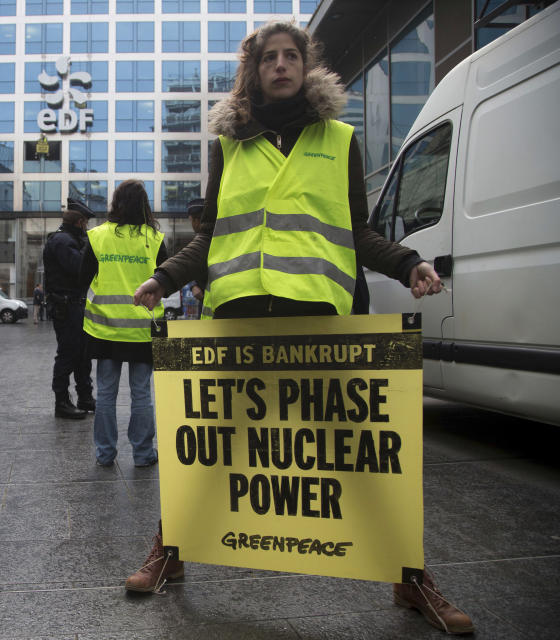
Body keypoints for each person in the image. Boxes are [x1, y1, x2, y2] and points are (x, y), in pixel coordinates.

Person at [127, 22, 474, 635]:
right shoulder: (227, 146)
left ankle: (409, 576)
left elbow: (356, 231)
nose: (281, 65)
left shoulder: (339, 138)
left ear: (306, 66)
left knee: (364, 453)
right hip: (236, 316)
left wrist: (407, 261)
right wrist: (168, 277)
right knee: (211, 449)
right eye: (269, 58)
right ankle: (170, 551)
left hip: (320, 317)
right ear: (253, 70)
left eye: (291, 56)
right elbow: (212, 237)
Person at [80, 180, 167, 467]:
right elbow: (167, 281)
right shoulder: (155, 239)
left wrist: (98, 295)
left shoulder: (97, 236)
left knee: (105, 393)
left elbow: (83, 280)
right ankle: (143, 454)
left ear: (116, 203)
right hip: (144, 328)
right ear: (144, 204)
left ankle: (105, 454)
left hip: (105, 328)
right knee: (142, 393)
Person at [42, 198, 95, 419]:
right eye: (86, 224)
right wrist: (90, 247)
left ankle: (85, 397)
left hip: (75, 305)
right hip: (66, 306)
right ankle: (61, 402)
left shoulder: (70, 239)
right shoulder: (63, 241)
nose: (88, 228)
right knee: (68, 354)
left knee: (83, 354)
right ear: (80, 222)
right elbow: (80, 269)